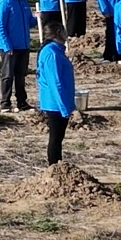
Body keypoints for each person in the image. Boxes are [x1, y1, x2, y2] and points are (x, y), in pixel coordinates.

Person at [38, 23, 75, 165]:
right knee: (55, 138)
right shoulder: (51, 53)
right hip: (55, 104)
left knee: (59, 137)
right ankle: (54, 167)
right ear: (58, 32)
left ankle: (56, 166)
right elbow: (55, 83)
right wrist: (64, 107)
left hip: (59, 102)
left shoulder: (56, 51)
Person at [0, 0, 34, 111]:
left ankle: (22, 103)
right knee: (7, 75)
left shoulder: (24, 4)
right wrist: (7, 45)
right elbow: (0, 27)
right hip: (10, 47)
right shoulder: (3, 5)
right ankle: (5, 103)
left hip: (23, 45)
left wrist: (38, 18)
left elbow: (29, 22)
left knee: (21, 76)